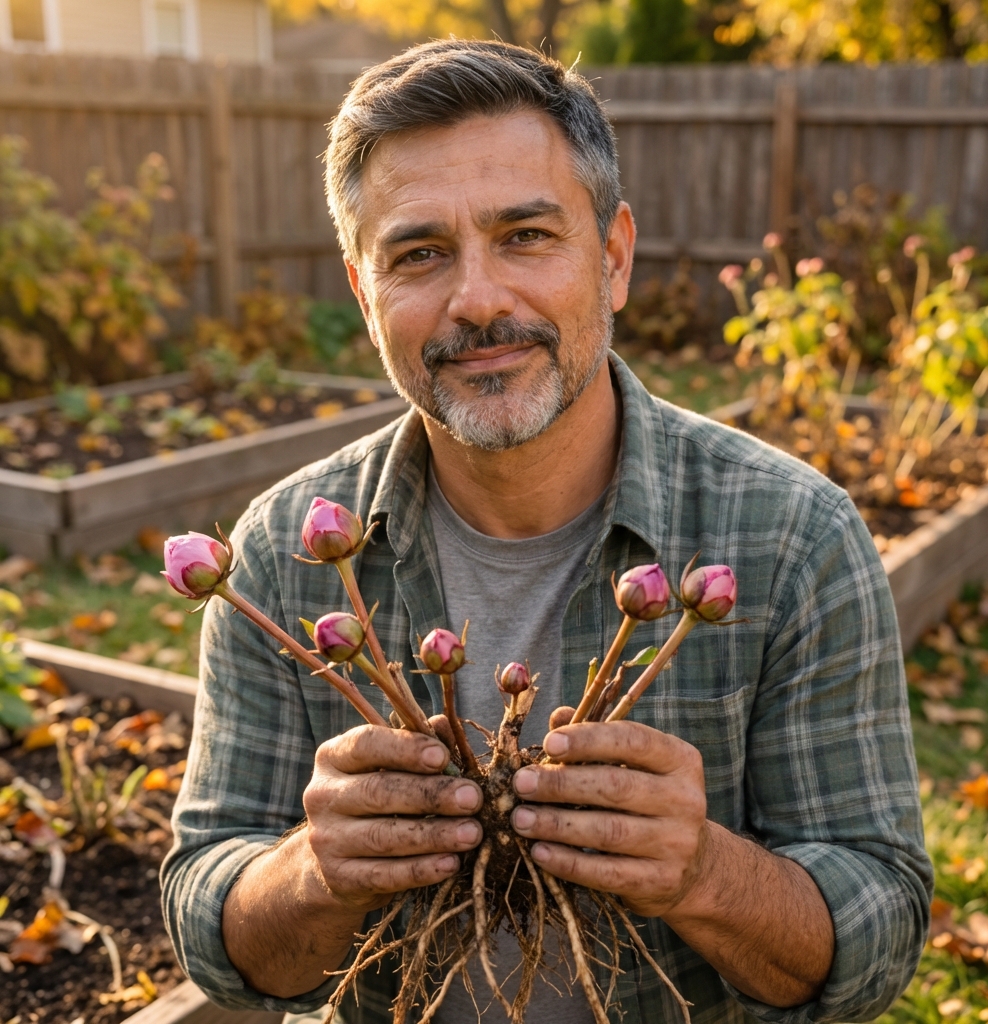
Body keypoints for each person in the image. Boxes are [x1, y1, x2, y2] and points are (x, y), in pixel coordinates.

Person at [162, 39, 932, 1024]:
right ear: (364, 296)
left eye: (525, 235)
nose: (478, 299)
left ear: (611, 259)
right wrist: (313, 869)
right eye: (418, 254)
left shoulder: (791, 537)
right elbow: (209, 923)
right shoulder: (279, 553)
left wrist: (699, 868)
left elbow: (879, 931)